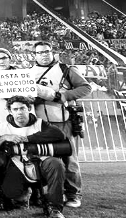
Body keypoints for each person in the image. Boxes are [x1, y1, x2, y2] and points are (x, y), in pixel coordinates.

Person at [0, 96, 68, 218]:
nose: (19, 112)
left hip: (41, 164)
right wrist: (4, 137)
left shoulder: (40, 123)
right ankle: (30, 193)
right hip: (17, 166)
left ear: (29, 108)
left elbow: (60, 134)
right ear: (10, 111)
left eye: (22, 108)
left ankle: (55, 208)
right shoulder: (2, 128)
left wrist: (28, 139)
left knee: (56, 164)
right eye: (15, 109)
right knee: (11, 193)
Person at [30, 41, 91, 208]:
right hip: (39, 124)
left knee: (69, 159)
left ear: (52, 52)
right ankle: (44, 194)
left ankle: (73, 194)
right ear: (34, 55)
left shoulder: (66, 69)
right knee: (43, 159)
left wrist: (63, 96)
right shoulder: (28, 73)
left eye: (46, 51)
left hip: (63, 122)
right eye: (39, 52)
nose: (43, 55)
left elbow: (86, 88)